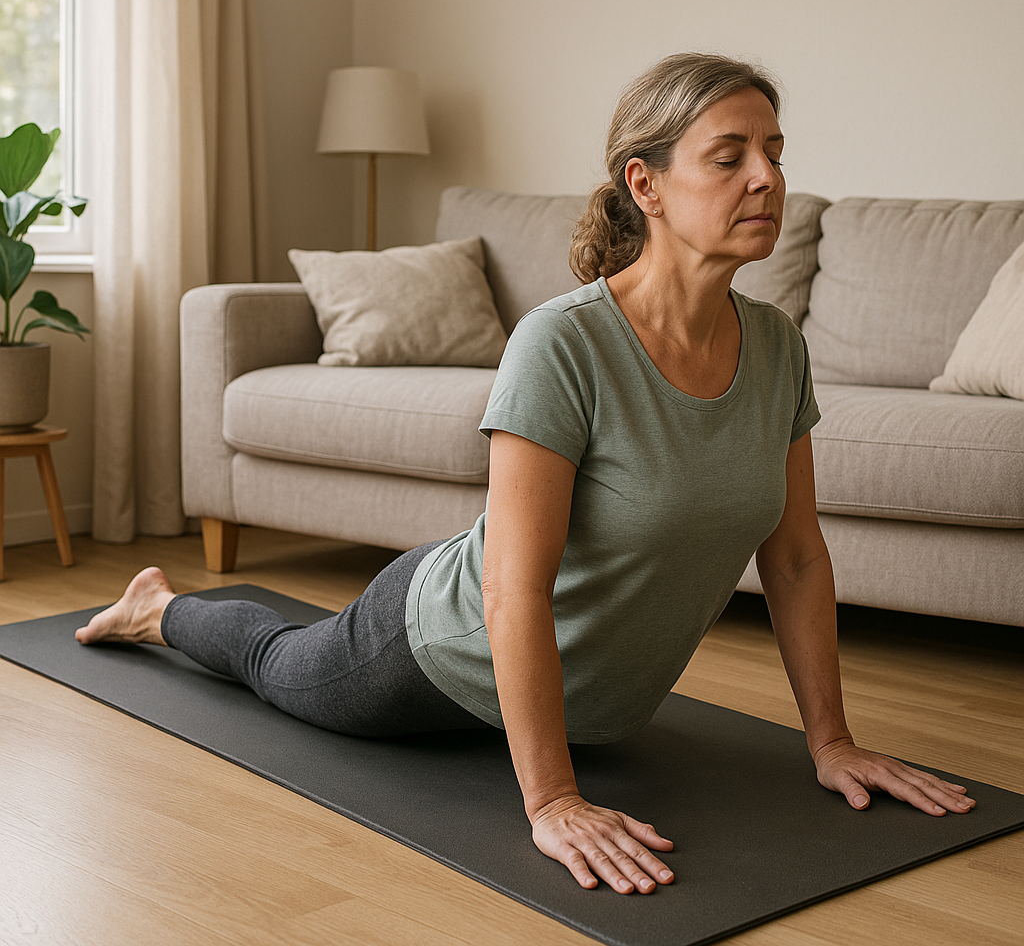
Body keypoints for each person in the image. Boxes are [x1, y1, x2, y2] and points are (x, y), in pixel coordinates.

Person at [76, 52, 975, 896]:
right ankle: (158, 608)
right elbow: (513, 590)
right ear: (645, 185)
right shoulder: (566, 341)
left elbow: (798, 562)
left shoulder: (778, 348)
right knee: (278, 665)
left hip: (580, 692)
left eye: (774, 153)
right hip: (438, 647)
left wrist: (832, 741)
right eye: (730, 155)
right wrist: (551, 802)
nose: (768, 178)